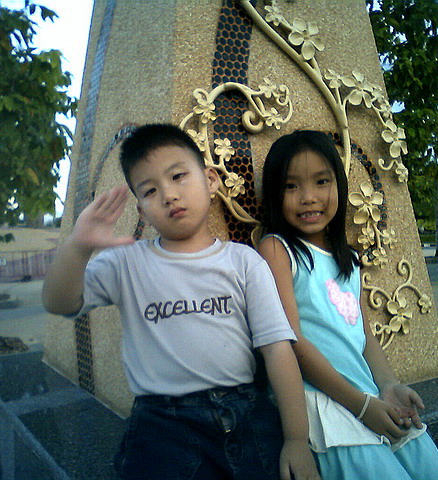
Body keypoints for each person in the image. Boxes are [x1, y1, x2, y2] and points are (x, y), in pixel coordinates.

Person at [42, 123, 319, 480]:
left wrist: (296, 439)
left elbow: (278, 349)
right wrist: (78, 247)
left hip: (246, 413)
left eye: (178, 176)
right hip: (162, 425)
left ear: (211, 180)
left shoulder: (244, 262)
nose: (169, 195)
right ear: (141, 211)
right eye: (150, 190)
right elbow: (60, 302)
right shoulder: (126, 263)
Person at [257, 130, 438, 480]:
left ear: (340, 185)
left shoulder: (348, 257)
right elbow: (290, 341)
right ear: (274, 192)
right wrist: (361, 407)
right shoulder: (278, 250)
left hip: (369, 397)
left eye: (321, 181)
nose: (308, 197)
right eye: (291, 186)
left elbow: (365, 336)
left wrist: (389, 386)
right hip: (327, 407)